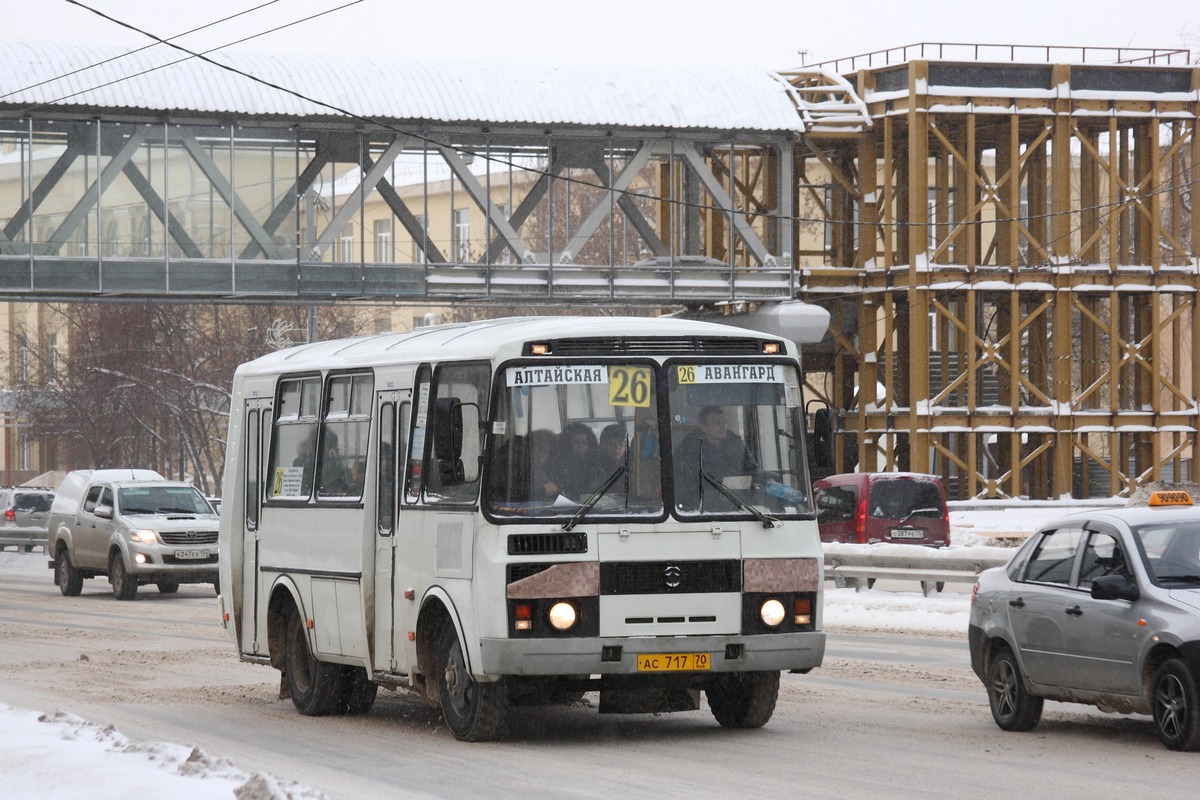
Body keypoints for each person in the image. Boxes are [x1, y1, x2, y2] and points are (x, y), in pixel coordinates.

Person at [674, 406, 758, 511]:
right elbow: (690, 486)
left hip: (739, 505)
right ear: (704, 427)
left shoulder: (736, 444)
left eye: (725, 422)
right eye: (717, 423)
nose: (723, 427)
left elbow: (753, 471)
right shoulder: (689, 450)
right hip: (703, 509)